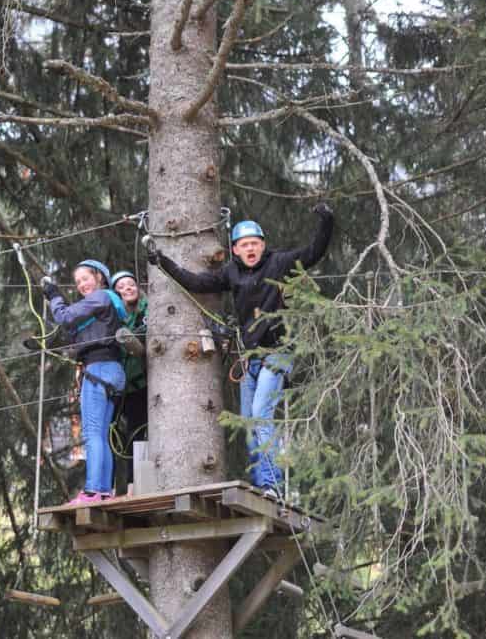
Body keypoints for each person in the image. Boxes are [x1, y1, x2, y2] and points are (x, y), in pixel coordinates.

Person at [146, 203, 334, 497]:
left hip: (277, 351)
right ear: (235, 250)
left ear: (263, 246)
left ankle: (272, 484)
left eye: (254, 244)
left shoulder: (279, 263)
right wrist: (163, 262)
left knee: (260, 415)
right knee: (249, 425)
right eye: (244, 245)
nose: (250, 249)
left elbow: (313, 252)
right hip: (249, 359)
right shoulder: (231, 274)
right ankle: (263, 483)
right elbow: (197, 282)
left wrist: (326, 220)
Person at [42, 259, 127, 505]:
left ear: (99, 277)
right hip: (111, 370)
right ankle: (102, 491)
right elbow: (75, 329)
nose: (81, 285)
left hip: (99, 369)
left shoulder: (101, 296)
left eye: (86, 278)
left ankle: (91, 491)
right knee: (100, 434)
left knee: (92, 433)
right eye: (78, 281)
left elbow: (66, 317)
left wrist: (54, 295)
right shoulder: (107, 305)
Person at [109, 271, 148, 494]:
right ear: (117, 293)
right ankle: (114, 485)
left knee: (136, 434)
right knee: (112, 433)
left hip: (140, 385)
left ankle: (134, 485)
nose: (128, 288)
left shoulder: (147, 309)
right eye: (122, 286)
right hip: (118, 385)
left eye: (131, 284)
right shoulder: (115, 316)